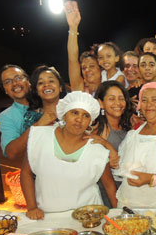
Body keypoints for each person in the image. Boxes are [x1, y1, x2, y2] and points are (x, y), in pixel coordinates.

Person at [21, 91, 117, 220]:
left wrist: (118, 213)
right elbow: (26, 172)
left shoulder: (97, 150)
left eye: (86, 115)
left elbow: (109, 185)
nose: (79, 119)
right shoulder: (40, 137)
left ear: (90, 121)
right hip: (46, 216)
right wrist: (32, 207)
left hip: (87, 219)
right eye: (74, 112)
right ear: (64, 115)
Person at [94, 80, 133, 189]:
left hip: (128, 186)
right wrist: (106, 145)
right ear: (101, 103)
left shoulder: (129, 125)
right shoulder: (99, 127)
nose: (118, 103)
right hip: (107, 189)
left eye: (121, 98)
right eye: (111, 99)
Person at [64, 1, 102, 94]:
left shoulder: (111, 84)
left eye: (92, 66)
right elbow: (72, 59)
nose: (87, 70)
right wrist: (73, 27)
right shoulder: (80, 88)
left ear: (100, 68)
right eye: (84, 68)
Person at [0, 65, 30, 159]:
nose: (15, 83)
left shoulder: (48, 100)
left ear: (28, 81)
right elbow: (11, 152)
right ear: (5, 90)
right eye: (8, 82)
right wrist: (38, 125)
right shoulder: (6, 116)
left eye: (18, 78)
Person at [22, 65, 67, 132]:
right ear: (36, 91)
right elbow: (27, 141)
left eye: (51, 81)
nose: (46, 85)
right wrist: (39, 124)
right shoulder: (31, 116)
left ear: (60, 87)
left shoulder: (72, 111)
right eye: (40, 83)